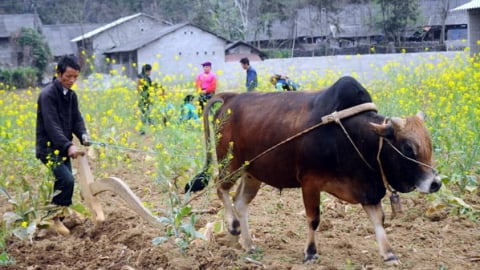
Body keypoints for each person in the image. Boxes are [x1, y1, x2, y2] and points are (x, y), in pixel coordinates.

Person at [35, 55, 90, 235]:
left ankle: (59, 216)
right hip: (49, 148)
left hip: (63, 147)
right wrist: (69, 145)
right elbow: (52, 126)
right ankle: (54, 220)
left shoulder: (71, 96)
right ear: (59, 74)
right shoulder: (47, 95)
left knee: (65, 183)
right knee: (66, 180)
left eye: (75, 77)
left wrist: (83, 135)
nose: (72, 80)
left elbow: (76, 119)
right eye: (69, 76)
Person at [137, 64, 154, 133]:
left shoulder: (146, 78)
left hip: (146, 98)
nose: (150, 73)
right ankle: (142, 130)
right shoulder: (141, 78)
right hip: (143, 98)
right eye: (150, 71)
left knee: (147, 113)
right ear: (147, 71)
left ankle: (151, 125)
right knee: (144, 114)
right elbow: (139, 88)